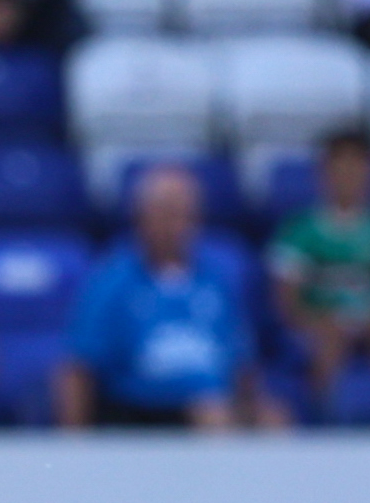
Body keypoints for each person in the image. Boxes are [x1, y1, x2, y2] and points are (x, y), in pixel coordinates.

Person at [58, 163, 271, 429]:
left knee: (272, 418)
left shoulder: (216, 278)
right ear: (141, 217)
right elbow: (79, 366)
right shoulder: (112, 279)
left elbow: (241, 362)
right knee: (209, 412)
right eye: (166, 213)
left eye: (185, 215)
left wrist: (256, 406)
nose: (176, 225)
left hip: (215, 401)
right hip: (140, 409)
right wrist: (75, 443)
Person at [268, 127, 370, 403]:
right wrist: (315, 322)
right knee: (329, 339)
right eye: (341, 167)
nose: (349, 176)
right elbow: (286, 301)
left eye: (357, 167)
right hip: (323, 318)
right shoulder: (299, 231)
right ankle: (327, 419)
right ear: (324, 173)